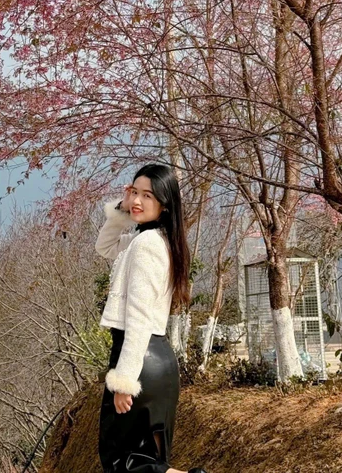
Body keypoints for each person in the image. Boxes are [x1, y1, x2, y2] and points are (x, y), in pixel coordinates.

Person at [95, 162, 210, 473]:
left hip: (138, 361)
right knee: (147, 461)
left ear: (164, 204)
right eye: (134, 192)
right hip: (158, 362)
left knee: (123, 461)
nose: (136, 201)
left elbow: (139, 318)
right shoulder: (152, 240)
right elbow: (104, 246)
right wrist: (121, 209)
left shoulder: (146, 246)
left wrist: (125, 381)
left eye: (147, 195)